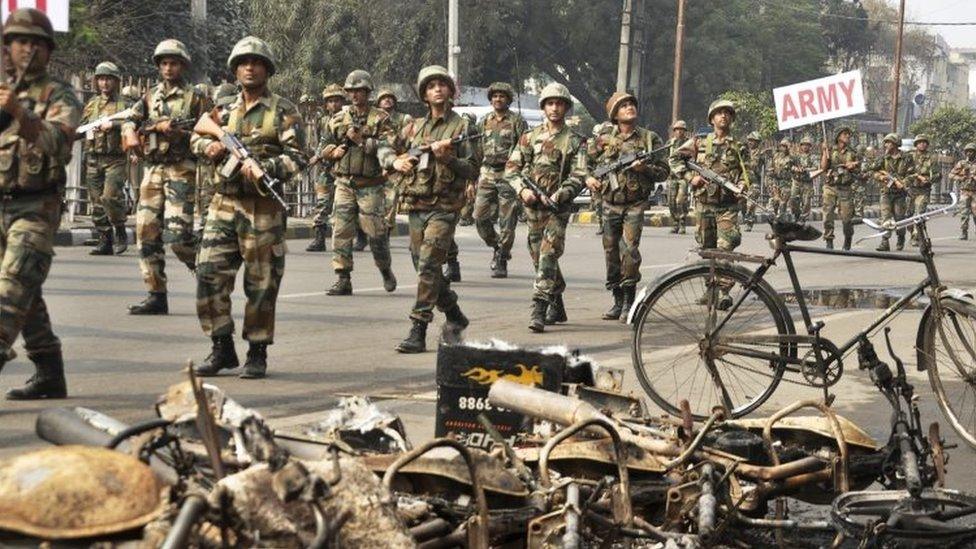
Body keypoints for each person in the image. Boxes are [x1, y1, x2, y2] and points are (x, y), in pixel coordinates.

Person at [191, 36, 306, 379]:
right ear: (235, 69)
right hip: (223, 203)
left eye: (256, 62)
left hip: (263, 207)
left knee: (261, 283)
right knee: (208, 274)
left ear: (267, 69)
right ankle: (221, 347)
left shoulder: (283, 110)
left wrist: (265, 169)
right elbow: (196, 135)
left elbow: (298, 158)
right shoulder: (223, 109)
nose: (250, 67)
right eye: (243, 62)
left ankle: (257, 352)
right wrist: (207, 148)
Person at [0, 8, 82, 399]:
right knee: (25, 293)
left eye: (36, 42)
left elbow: (60, 144)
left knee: (11, 289)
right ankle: (49, 369)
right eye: (20, 41)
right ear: (7, 46)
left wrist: (20, 113)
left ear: (48, 50)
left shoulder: (58, 94)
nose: (27, 49)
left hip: (36, 208)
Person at [381, 65, 476, 353]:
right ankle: (454, 313)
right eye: (431, 85)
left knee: (429, 266)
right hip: (416, 206)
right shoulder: (413, 127)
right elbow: (385, 148)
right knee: (424, 267)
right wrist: (394, 161)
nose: (437, 88)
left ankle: (418, 327)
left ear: (450, 91)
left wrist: (447, 159)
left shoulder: (462, 128)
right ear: (424, 93)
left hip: (445, 207)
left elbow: (472, 168)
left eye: (442, 84)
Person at [122, 39, 211, 315]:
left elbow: (210, 130)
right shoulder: (150, 96)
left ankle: (205, 269)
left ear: (182, 65)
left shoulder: (195, 97)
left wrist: (180, 134)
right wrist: (129, 131)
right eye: (164, 63)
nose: (169, 68)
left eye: (174, 63)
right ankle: (156, 294)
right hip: (153, 169)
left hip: (181, 168)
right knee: (146, 232)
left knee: (179, 236)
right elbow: (131, 118)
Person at [505, 83, 586, 333]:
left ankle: (538, 308)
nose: (554, 108)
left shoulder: (575, 140)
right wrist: (522, 190)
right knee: (538, 258)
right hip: (532, 209)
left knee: (549, 254)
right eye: (550, 103)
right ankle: (557, 301)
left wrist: (562, 193)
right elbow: (511, 169)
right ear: (543, 107)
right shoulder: (528, 137)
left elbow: (580, 173)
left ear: (565, 107)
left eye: (559, 103)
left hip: (557, 209)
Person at [587, 92, 666, 322]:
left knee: (630, 252)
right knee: (611, 251)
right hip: (609, 202)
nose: (629, 107)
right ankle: (617, 299)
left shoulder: (650, 139)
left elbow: (664, 171)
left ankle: (629, 301)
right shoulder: (602, 139)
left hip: (635, 203)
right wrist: (589, 178)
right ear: (615, 114)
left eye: (631, 104)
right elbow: (584, 164)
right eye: (623, 106)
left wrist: (645, 170)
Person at [320, 70, 397, 296]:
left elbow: (389, 147)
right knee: (341, 231)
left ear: (367, 92)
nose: (355, 95)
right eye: (351, 91)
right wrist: (332, 152)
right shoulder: (338, 119)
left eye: (359, 91)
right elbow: (323, 146)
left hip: (370, 185)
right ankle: (343, 278)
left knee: (376, 235)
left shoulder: (381, 118)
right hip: (344, 183)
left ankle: (385, 269)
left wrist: (362, 141)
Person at [670, 100, 749, 251]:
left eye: (727, 113)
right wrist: (691, 178)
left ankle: (725, 274)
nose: (723, 115)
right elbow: (674, 158)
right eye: (719, 113)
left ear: (732, 118)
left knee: (725, 247)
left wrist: (742, 184)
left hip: (728, 206)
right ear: (712, 119)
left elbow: (748, 171)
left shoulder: (739, 146)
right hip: (704, 205)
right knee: (707, 250)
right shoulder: (699, 142)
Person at [471, 82, 527, 278]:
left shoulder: (517, 121)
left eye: (502, 96)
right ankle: (496, 245)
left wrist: (520, 175)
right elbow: (477, 149)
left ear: (508, 100)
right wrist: (474, 176)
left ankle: (502, 258)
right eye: (495, 96)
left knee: (507, 221)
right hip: (486, 173)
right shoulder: (484, 121)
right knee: (479, 217)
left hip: (507, 174)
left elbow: (523, 149)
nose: (498, 99)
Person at [81, 61, 129, 256]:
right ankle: (105, 238)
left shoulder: (124, 104)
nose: (104, 83)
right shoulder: (91, 104)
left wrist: (115, 125)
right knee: (96, 201)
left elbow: (136, 121)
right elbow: (82, 126)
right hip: (93, 157)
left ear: (116, 81)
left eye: (108, 79)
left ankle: (119, 229)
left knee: (110, 197)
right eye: (101, 78)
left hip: (115, 159)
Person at [305, 83, 345, 252]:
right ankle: (319, 238)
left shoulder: (348, 118)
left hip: (344, 168)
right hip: (327, 169)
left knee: (347, 206)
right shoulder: (323, 121)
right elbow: (323, 141)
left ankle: (358, 236)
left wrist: (319, 155)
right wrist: (319, 156)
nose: (334, 104)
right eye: (330, 101)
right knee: (322, 203)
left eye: (337, 100)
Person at [376, 88, 413, 236]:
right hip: (376, 165)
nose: (387, 100)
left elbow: (412, 145)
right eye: (383, 98)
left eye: (390, 97)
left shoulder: (404, 119)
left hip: (396, 166)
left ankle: (385, 233)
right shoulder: (374, 118)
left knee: (390, 201)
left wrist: (399, 160)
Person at [869, 133, 913, 251]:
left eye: (889, 142)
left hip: (900, 194)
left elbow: (912, 174)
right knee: (885, 217)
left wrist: (902, 182)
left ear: (895, 144)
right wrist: (880, 177)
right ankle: (885, 241)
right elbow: (872, 171)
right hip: (886, 192)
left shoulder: (906, 157)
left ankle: (901, 237)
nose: (886, 144)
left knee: (900, 218)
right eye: (886, 142)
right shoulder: (883, 158)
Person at [820, 125, 860, 250]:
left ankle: (848, 239)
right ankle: (829, 240)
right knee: (827, 215)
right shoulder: (830, 150)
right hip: (830, 186)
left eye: (848, 134)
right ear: (838, 136)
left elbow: (859, 169)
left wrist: (853, 165)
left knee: (847, 218)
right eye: (844, 134)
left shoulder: (852, 152)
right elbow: (823, 167)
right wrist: (824, 152)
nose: (847, 136)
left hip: (845, 187)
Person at [906, 134, 940, 246]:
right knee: (908, 215)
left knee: (920, 214)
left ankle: (916, 237)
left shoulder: (932, 158)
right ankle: (912, 233)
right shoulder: (909, 156)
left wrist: (929, 179)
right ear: (916, 144)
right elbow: (903, 171)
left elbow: (938, 174)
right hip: (910, 189)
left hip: (923, 190)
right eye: (920, 142)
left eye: (924, 142)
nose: (922, 144)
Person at [665, 120, 689, 234]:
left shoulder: (689, 144)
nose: (679, 132)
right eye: (677, 129)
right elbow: (665, 158)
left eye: (682, 130)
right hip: (671, 177)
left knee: (680, 200)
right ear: (674, 131)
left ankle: (683, 223)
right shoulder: (670, 143)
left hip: (683, 177)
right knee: (671, 201)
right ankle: (675, 223)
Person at [950, 142, 976, 240]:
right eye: (968, 151)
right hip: (965, 192)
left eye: (972, 151)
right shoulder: (962, 163)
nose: (970, 153)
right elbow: (951, 175)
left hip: (975, 192)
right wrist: (961, 178)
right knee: (964, 214)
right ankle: (964, 232)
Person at [789, 136, 818, 223]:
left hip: (807, 182)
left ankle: (803, 218)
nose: (805, 147)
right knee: (793, 199)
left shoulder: (812, 157)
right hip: (796, 181)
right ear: (801, 146)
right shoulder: (796, 156)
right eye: (803, 145)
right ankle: (795, 215)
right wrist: (795, 168)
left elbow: (816, 167)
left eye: (807, 145)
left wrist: (805, 169)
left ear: (810, 146)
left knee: (806, 202)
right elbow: (790, 165)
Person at [767, 138, 795, 221]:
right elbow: (771, 166)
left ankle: (781, 217)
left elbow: (798, 166)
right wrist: (770, 171)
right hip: (776, 181)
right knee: (776, 201)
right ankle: (776, 214)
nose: (783, 148)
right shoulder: (776, 156)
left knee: (783, 201)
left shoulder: (792, 157)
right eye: (781, 146)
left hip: (786, 182)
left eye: (785, 146)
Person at [741, 131, 764, 231]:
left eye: (753, 141)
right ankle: (744, 217)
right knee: (741, 202)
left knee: (750, 202)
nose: (750, 142)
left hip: (754, 180)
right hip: (742, 180)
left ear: (757, 142)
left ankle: (749, 222)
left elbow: (754, 165)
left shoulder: (760, 153)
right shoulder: (744, 151)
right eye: (749, 140)